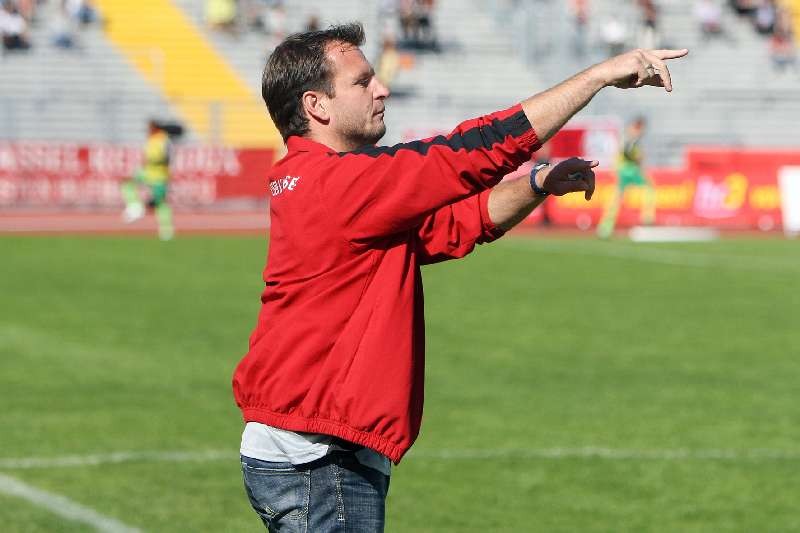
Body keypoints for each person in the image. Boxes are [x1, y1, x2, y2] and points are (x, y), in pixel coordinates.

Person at [233, 22, 687, 531]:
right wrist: (598, 76)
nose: (382, 89)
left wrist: (536, 183)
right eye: (362, 82)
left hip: (311, 448)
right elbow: (471, 151)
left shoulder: (317, 180)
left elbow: (452, 226)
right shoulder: (338, 181)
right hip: (320, 458)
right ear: (317, 105)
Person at [597, 116, 657, 239]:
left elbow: (624, 153)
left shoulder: (630, 138)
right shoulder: (630, 138)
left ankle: (605, 227)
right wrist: (638, 159)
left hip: (624, 170)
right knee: (647, 188)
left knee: (617, 199)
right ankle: (646, 217)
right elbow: (629, 153)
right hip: (628, 170)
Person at [120, 120, 175, 241]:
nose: (148, 130)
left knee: (160, 203)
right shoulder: (151, 140)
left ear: (155, 128)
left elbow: (168, 158)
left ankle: (166, 229)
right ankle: (135, 206)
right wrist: (139, 170)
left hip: (159, 175)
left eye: (150, 128)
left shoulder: (164, 140)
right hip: (148, 173)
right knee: (127, 184)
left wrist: (167, 172)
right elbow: (145, 158)